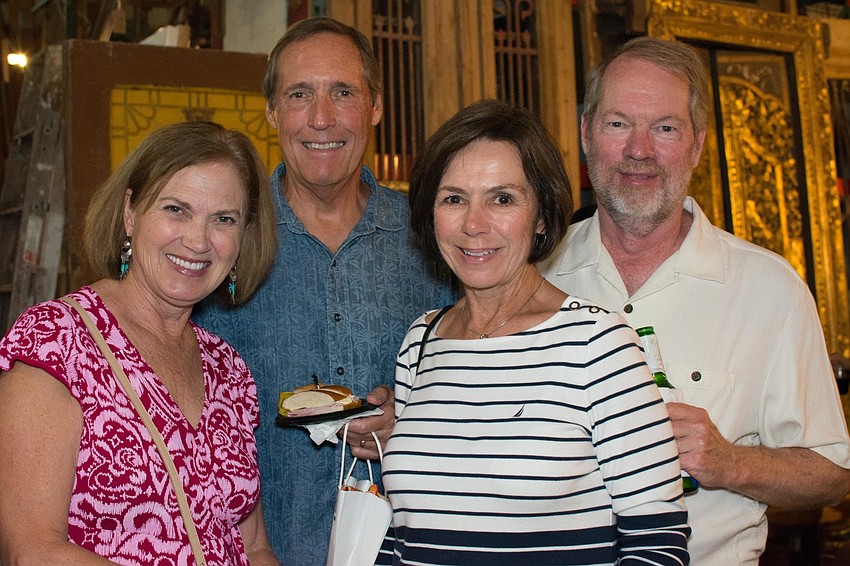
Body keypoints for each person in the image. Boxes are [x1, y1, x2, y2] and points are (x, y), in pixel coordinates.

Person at [541, 36, 850, 564]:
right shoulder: (533, 274)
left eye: (665, 128)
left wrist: (730, 462)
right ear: (586, 134)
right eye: (618, 124)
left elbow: (833, 475)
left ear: (698, 144)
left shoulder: (770, 289)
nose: (639, 150)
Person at [380, 99, 690, 565]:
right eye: (454, 199)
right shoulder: (420, 342)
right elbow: (404, 529)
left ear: (542, 216)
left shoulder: (598, 343)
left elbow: (657, 545)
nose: (474, 224)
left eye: (502, 199)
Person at [192, 17, 455, 564]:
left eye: (343, 92)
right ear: (271, 110)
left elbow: (479, 392)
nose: (321, 117)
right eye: (298, 94)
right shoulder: (225, 237)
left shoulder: (434, 238)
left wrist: (413, 417)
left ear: (376, 106)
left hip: (414, 549)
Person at [0, 121, 280, 564]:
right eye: (176, 209)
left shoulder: (227, 368)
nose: (197, 240)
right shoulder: (57, 340)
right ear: (130, 212)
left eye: (223, 219)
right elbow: (32, 551)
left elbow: (253, 544)